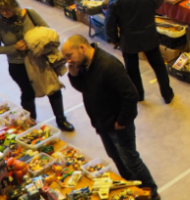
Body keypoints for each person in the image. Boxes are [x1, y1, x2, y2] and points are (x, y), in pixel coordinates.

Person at [62, 35, 159, 200]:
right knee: (117, 159)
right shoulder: (83, 64)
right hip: (102, 124)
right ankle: (132, 190)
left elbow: (131, 95)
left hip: (118, 126)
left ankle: (152, 194)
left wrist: (121, 122)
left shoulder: (108, 65)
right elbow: (85, 89)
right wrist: (74, 75)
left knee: (131, 161)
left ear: (82, 48)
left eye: (69, 55)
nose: (68, 61)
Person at [0, 0, 74, 131]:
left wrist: (35, 41)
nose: (5, 13)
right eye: (2, 10)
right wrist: (14, 47)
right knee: (28, 93)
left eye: (7, 9)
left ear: (14, 5)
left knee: (52, 88)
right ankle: (31, 123)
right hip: (18, 65)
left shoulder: (30, 14)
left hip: (39, 60)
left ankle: (61, 119)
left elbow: (48, 32)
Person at [106, 0, 174, 104]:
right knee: (159, 67)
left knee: (132, 69)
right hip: (149, 36)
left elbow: (110, 22)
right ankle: (167, 95)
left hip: (128, 39)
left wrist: (115, 40)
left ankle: (139, 95)